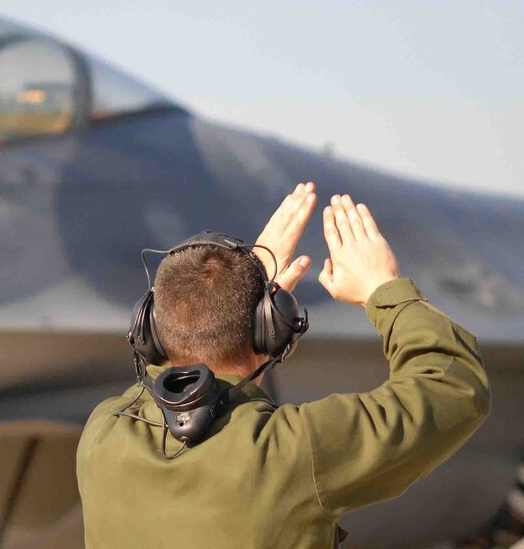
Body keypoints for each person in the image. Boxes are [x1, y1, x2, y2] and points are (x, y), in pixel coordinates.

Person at [76, 182, 491, 548]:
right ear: (269, 331)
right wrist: (384, 290)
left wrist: (249, 308)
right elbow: (453, 386)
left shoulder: (104, 433)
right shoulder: (293, 452)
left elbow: (173, 380)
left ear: (147, 327)